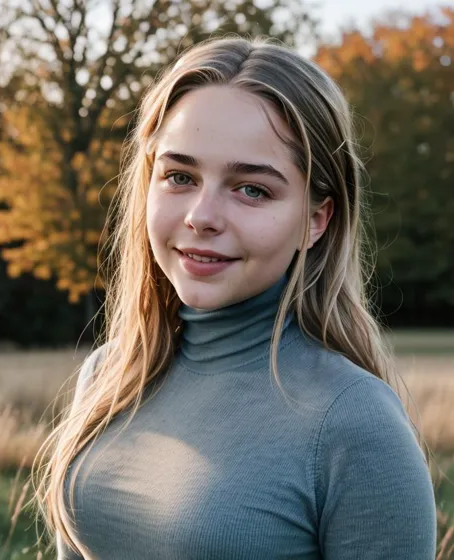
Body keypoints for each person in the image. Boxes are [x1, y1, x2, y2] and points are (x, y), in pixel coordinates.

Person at [32, 35, 437, 559]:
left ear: (315, 220)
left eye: (251, 189)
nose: (202, 216)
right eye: (179, 176)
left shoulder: (354, 424)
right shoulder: (109, 376)